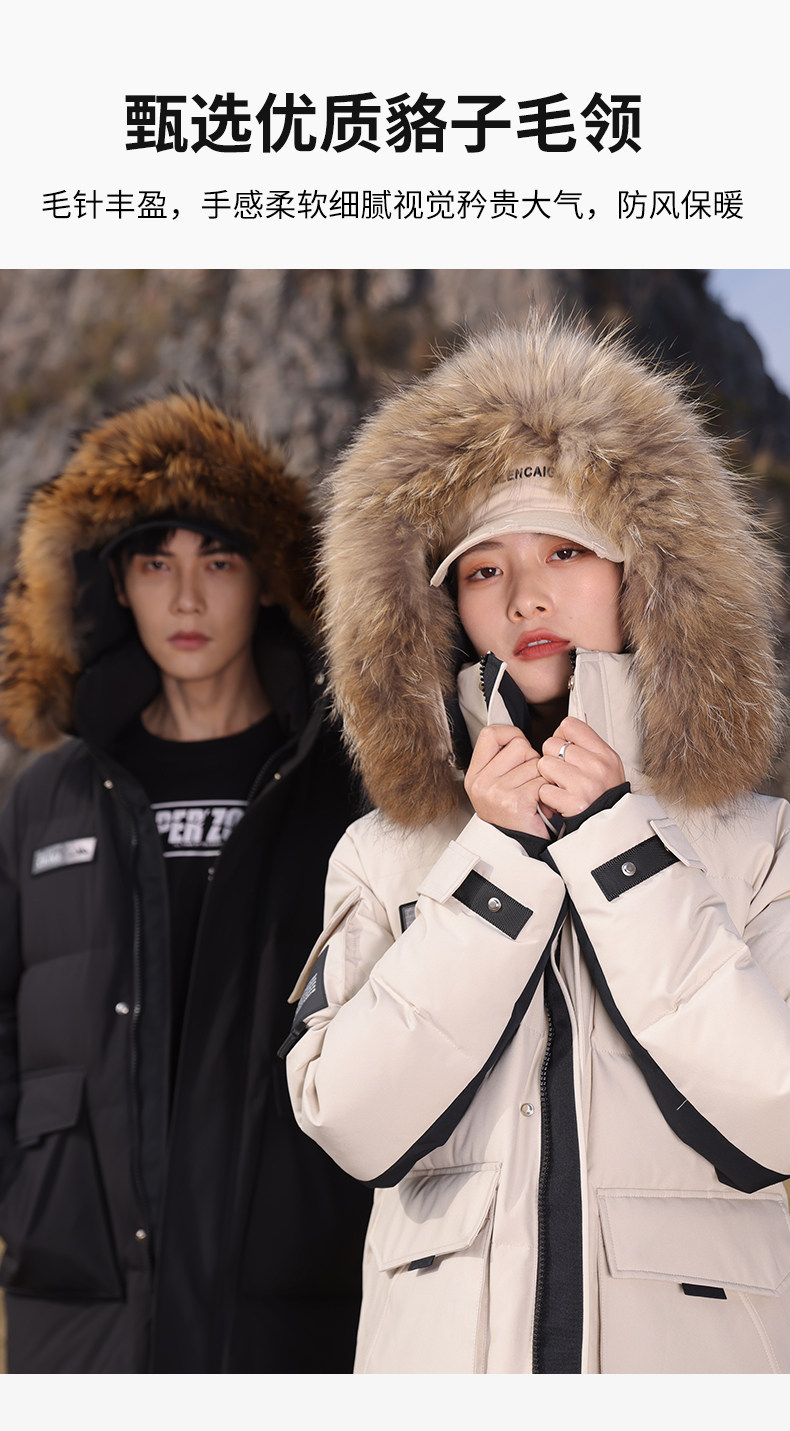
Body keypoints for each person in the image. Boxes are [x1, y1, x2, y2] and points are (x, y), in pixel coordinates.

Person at [284, 317, 790, 1374]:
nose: (526, 596)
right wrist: (501, 864)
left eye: (566, 551)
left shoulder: (761, 842)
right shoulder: (386, 854)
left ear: (646, 577)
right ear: (439, 611)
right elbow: (350, 1120)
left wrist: (615, 844)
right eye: (482, 571)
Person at [0, 392, 371, 1373]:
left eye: (220, 561)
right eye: (155, 563)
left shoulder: (344, 791)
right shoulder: (46, 799)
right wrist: (28, 1197)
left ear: (267, 580)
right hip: (80, 1309)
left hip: (292, 1305)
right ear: (116, 584)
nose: (188, 599)